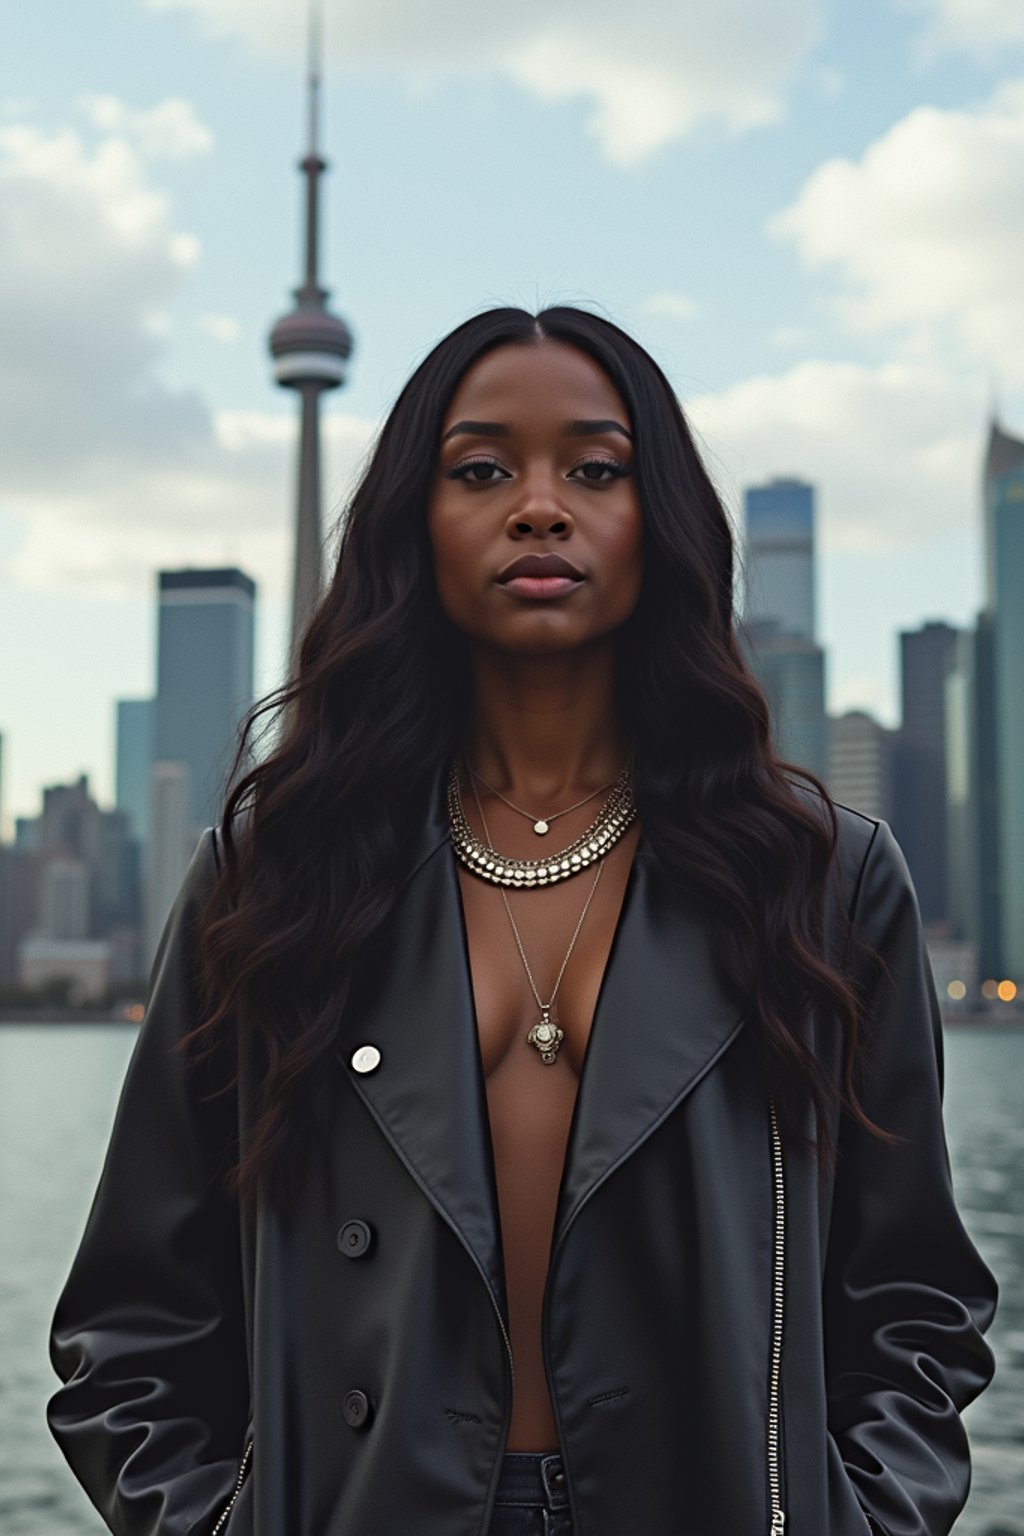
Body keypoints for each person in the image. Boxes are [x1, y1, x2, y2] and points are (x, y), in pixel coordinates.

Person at [47, 306, 998, 1536]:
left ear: (659, 520)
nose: (539, 506)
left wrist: (849, 1519)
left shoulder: (820, 879)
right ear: (414, 523)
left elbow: (913, 1299)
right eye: (482, 469)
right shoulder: (273, 874)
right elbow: (129, 1323)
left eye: (595, 469)